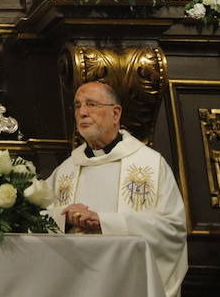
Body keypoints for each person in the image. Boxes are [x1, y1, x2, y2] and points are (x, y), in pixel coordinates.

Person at [46, 81, 188, 297]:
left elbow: (172, 228)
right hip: (74, 283)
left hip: (127, 284)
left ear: (115, 113)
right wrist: (65, 219)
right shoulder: (66, 170)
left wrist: (103, 222)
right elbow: (36, 220)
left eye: (91, 104)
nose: (82, 112)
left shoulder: (150, 164)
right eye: (77, 106)